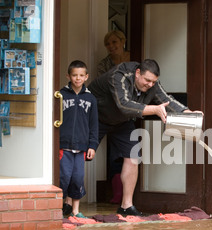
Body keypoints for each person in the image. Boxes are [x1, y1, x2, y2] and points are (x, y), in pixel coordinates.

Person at [88, 59, 202, 216]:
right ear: (137, 73)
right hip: (96, 117)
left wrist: (187, 113)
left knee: (133, 157)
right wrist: (154, 109)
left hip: (121, 121)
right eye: (147, 80)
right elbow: (124, 104)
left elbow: (165, 100)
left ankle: (126, 206)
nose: (150, 85)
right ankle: (68, 204)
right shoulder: (119, 76)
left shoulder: (152, 85)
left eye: (153, 81)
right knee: (79, 155)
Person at [60, 60, 99, 218]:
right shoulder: (60, 95)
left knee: (77, 178)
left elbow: (94, 124)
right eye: (74, 75)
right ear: (68, 76)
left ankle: (75, 210)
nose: (77, 78)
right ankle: (60, 207)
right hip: (64, 146)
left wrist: (93, 145)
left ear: (86, 77)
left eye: (81, 75)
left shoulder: (91, 99)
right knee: (63, 177)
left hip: (81, 147)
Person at [97, 30, 131, 204]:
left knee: (131, 154)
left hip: (130, 114)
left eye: (114, 42)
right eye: (108, 44)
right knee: (114, 154)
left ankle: (127, 199)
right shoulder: (104, 64)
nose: (111, 46)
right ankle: (117, 193)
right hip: (110, 112)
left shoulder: (133, 60)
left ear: (123, 41)